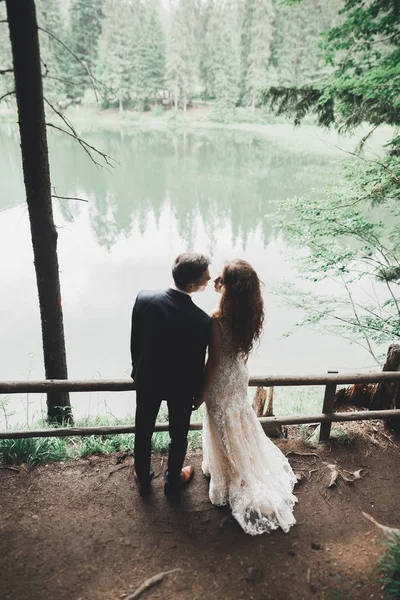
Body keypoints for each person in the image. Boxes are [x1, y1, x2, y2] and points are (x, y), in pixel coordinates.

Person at [196, 259, 297, 535]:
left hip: (221, 379)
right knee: (238, 420)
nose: (215, 280)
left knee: (221, 423)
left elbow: (213, 362)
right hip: (239, 375)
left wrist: (202, 392)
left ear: (229, 289)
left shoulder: (216, 319)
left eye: (221, 279)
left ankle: (229, 476)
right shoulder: (249, 312)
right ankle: (236, 466)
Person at [130, 253, 212, 497]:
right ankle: (172, 481)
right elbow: (197, 362)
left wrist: (137, 370)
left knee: (143, 428)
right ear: (191, 286)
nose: (210, 279)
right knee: (179, 434)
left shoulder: (144, 298)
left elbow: (135, 341)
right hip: (181, 387)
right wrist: (198, 392)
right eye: (207, 278)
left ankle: (143, 476)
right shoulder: (201, 320)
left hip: (147, 378)